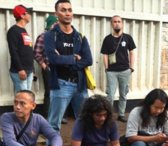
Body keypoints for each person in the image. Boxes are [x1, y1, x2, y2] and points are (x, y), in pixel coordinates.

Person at [44, 0, 93, 131]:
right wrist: (74, 58)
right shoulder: (50, 35)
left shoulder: (80, 37)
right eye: (63, 10)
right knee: (54, 124)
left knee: (84, 121)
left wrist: (67, 62)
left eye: (69, 10)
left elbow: (88, 60)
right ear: (56, 13)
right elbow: (53, 59)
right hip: (61, 84)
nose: (67, 13)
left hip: (80, 85)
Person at [101, 15, 136, 122]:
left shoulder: (127, 38)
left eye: (119, 21)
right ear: (112, 24)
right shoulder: (107, 39)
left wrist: (131, 68)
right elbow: (105, 54)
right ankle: (109, 115)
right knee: (110, 95)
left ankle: (121, 114)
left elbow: (132, 52)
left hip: (125, 70)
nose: (117, 23)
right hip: (111, 71)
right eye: (115, 21)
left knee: (123, 94)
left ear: (122, 24)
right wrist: (106, 68)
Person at [33, 15, 58, 117]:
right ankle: (47, 115)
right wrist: (44, 65)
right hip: (49, 68)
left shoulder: (58, 36)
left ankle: (57, 115)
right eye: (56, 23)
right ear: (52, 24)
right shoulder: (43, 36)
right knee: (49, 92)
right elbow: (36, 53)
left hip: (59, 69)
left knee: (58, 93)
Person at [7, 4, 34, 94]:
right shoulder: (13, 31)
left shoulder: (24, 30)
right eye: (28, 13)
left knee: (27, 96)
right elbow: (13, 51)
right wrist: (20, 69)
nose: (30, 15)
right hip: (20, 71)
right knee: (22, 97)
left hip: (28, 70)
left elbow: (27, 50)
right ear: (22, 15)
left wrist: (32, 68)